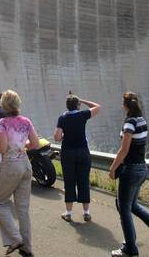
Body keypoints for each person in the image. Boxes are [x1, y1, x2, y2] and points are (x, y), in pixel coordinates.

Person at [108, 92, 149, 256]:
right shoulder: (141, 120)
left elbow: (124, 149)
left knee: (124, 208)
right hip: (142, 168)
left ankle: (130, 249)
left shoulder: (130, 123)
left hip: (130, 170)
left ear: (125, 105)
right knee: (133, 205)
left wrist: (113, 167)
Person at [0, 90, 40, 256]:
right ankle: (27, 248)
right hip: (26, 165)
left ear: (3, 105)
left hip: (11, 165)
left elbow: (2, 148)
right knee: (23, 209)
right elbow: (35, 143)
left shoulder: (2, 122)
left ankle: (15, 238)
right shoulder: (26, 121)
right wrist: (22, 144)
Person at [54, 94, 100, 222]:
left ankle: (68, 213)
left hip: (68, 153)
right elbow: (97, 107)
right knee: (83, 181)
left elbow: (57, 137)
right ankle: (86, 213)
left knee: (69, 182)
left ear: (67, 106)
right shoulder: (82, 115)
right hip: (83, 152)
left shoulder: (62, 118)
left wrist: (65, 136)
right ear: (78, 105)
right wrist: (83, 100)